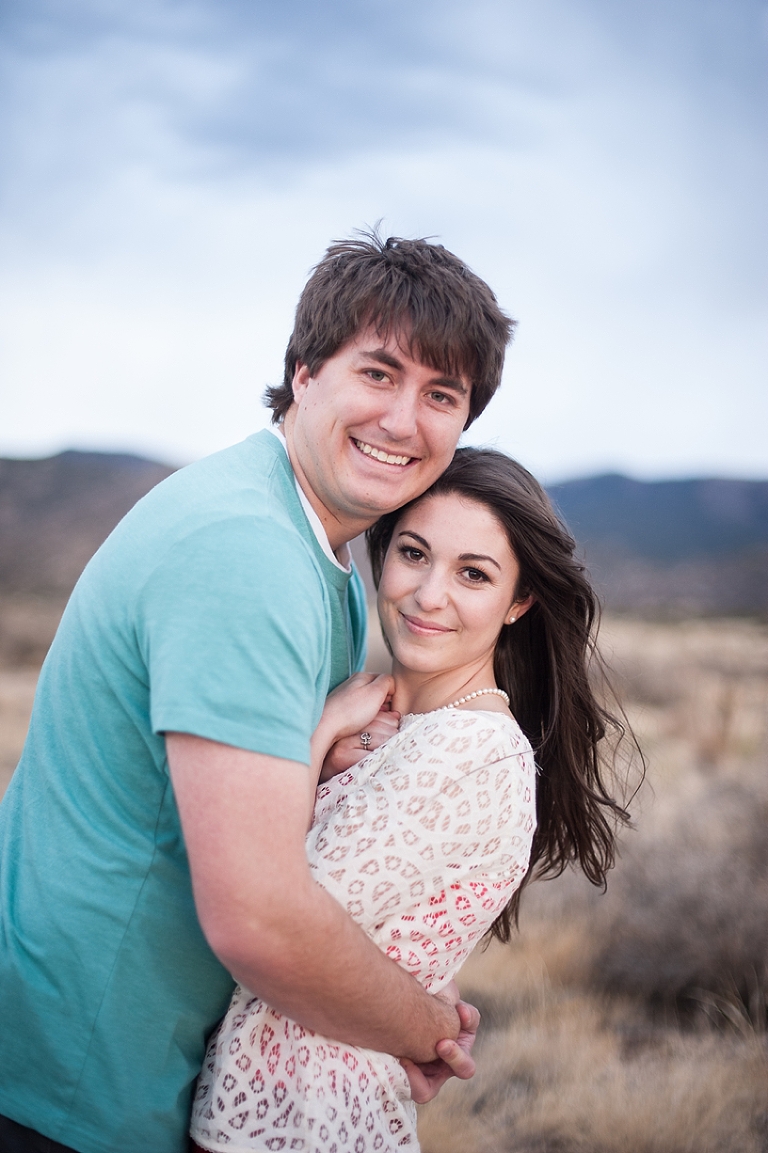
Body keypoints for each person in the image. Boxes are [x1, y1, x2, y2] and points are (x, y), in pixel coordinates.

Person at [0, 233, 514, 1153]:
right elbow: (260, 915)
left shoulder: (321, 555)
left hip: (127, 1063)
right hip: (68, 1075)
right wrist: (422, 1026)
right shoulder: (248, 554)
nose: (404, 419)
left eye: (442, 394)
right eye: (379, 373)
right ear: (304, 371)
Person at [189, 447, 629, 1153]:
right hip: (272, 1097)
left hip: (305, 1120)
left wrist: (315, 738)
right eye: (414, 553)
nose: (428, 594)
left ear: (519, 602)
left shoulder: (472, 751)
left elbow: (268, 910)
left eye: (473, 574)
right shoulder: (403, 726)